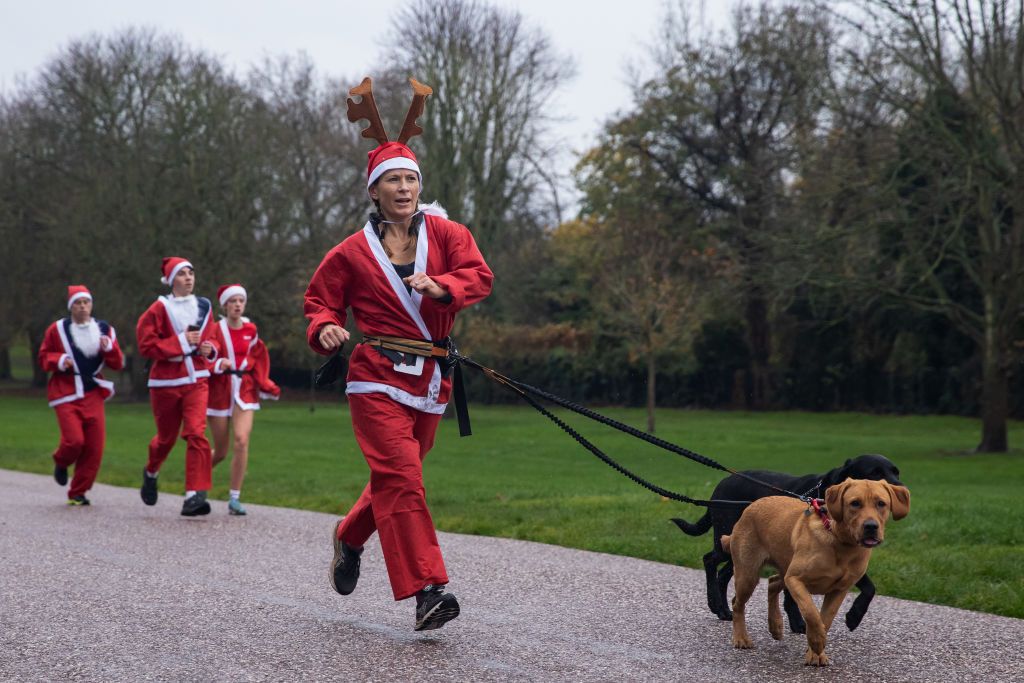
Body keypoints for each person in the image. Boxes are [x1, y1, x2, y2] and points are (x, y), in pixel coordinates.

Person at [304, 77, 493, 632]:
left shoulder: (449, 233)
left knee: (395, 478)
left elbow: (480, 276)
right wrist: (326, 330)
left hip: (433, 377)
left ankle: (349, 535)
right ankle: (429, 589)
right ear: (374, 191)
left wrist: (445, 288)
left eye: (411, 178)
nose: (404, 187)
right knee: (404, 478)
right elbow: (320, 302)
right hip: (376, 376)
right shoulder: (350, 253)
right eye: (393, 180)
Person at [136, 257, 220, 516]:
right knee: (165, 439)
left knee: (196, 433)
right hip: (165, 383)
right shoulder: (158, 309)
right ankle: (151, 471)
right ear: (172, 280)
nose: (189, 278)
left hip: (196, 380)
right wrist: (181, 342)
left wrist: (210, 349)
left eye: (191, 273)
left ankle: (194, 495)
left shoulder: (204, 306)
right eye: (182, 274)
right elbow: (146, 346)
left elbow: (213, 339)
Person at [37, 285, 124, 505]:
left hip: (93, 392)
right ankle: (61, 460)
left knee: (95, 447)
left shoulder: (105, 329)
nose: (83, 307)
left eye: (87, 302)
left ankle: (78, 492)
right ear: (71, 307)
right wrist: (59, 360)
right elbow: (43, 357)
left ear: (92, 305)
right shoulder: (57, 330)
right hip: (65, 392)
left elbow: (118, 363)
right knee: (74, 441)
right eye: (78, 303)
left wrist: (109, 349)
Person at [207, 283, 281, 515]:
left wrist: (265, 383)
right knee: (220, 451)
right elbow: (207, 352)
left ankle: (235, 498)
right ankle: (195, 484)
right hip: (219, 390)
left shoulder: (251, 329)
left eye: (241, 301)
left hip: (244, 389)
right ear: (225, 305)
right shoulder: (215, 329)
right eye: (233, 301)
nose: (237, 305)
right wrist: (218, 361)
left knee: (241, 441)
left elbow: (259, 358)